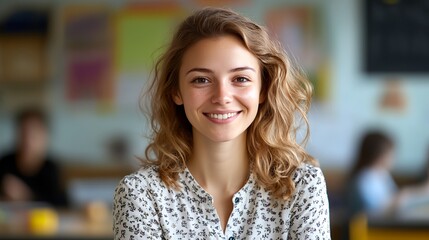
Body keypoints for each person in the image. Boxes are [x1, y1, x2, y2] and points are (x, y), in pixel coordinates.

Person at [113, 7, 330, 239]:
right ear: (176, 91)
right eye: (201, 80)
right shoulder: (141, 194)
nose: (222, 96)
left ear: (263, 90)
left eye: (240, 79)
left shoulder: (303, 186)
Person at [347, 131, 429, 218]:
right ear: (381, 155)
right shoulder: (363, 179)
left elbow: (394, 200)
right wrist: (406, 194)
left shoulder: (383, 174)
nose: (394, 158)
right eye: (391, 153)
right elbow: (373, 211)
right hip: (368, 228)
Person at [0, 108, 67, 207]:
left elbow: (62, 204)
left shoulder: (51, 169)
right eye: (24, 133)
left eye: (33, 135)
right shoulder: (4, 163)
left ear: (44, 136)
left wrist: (26, 196)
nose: (27, 141)